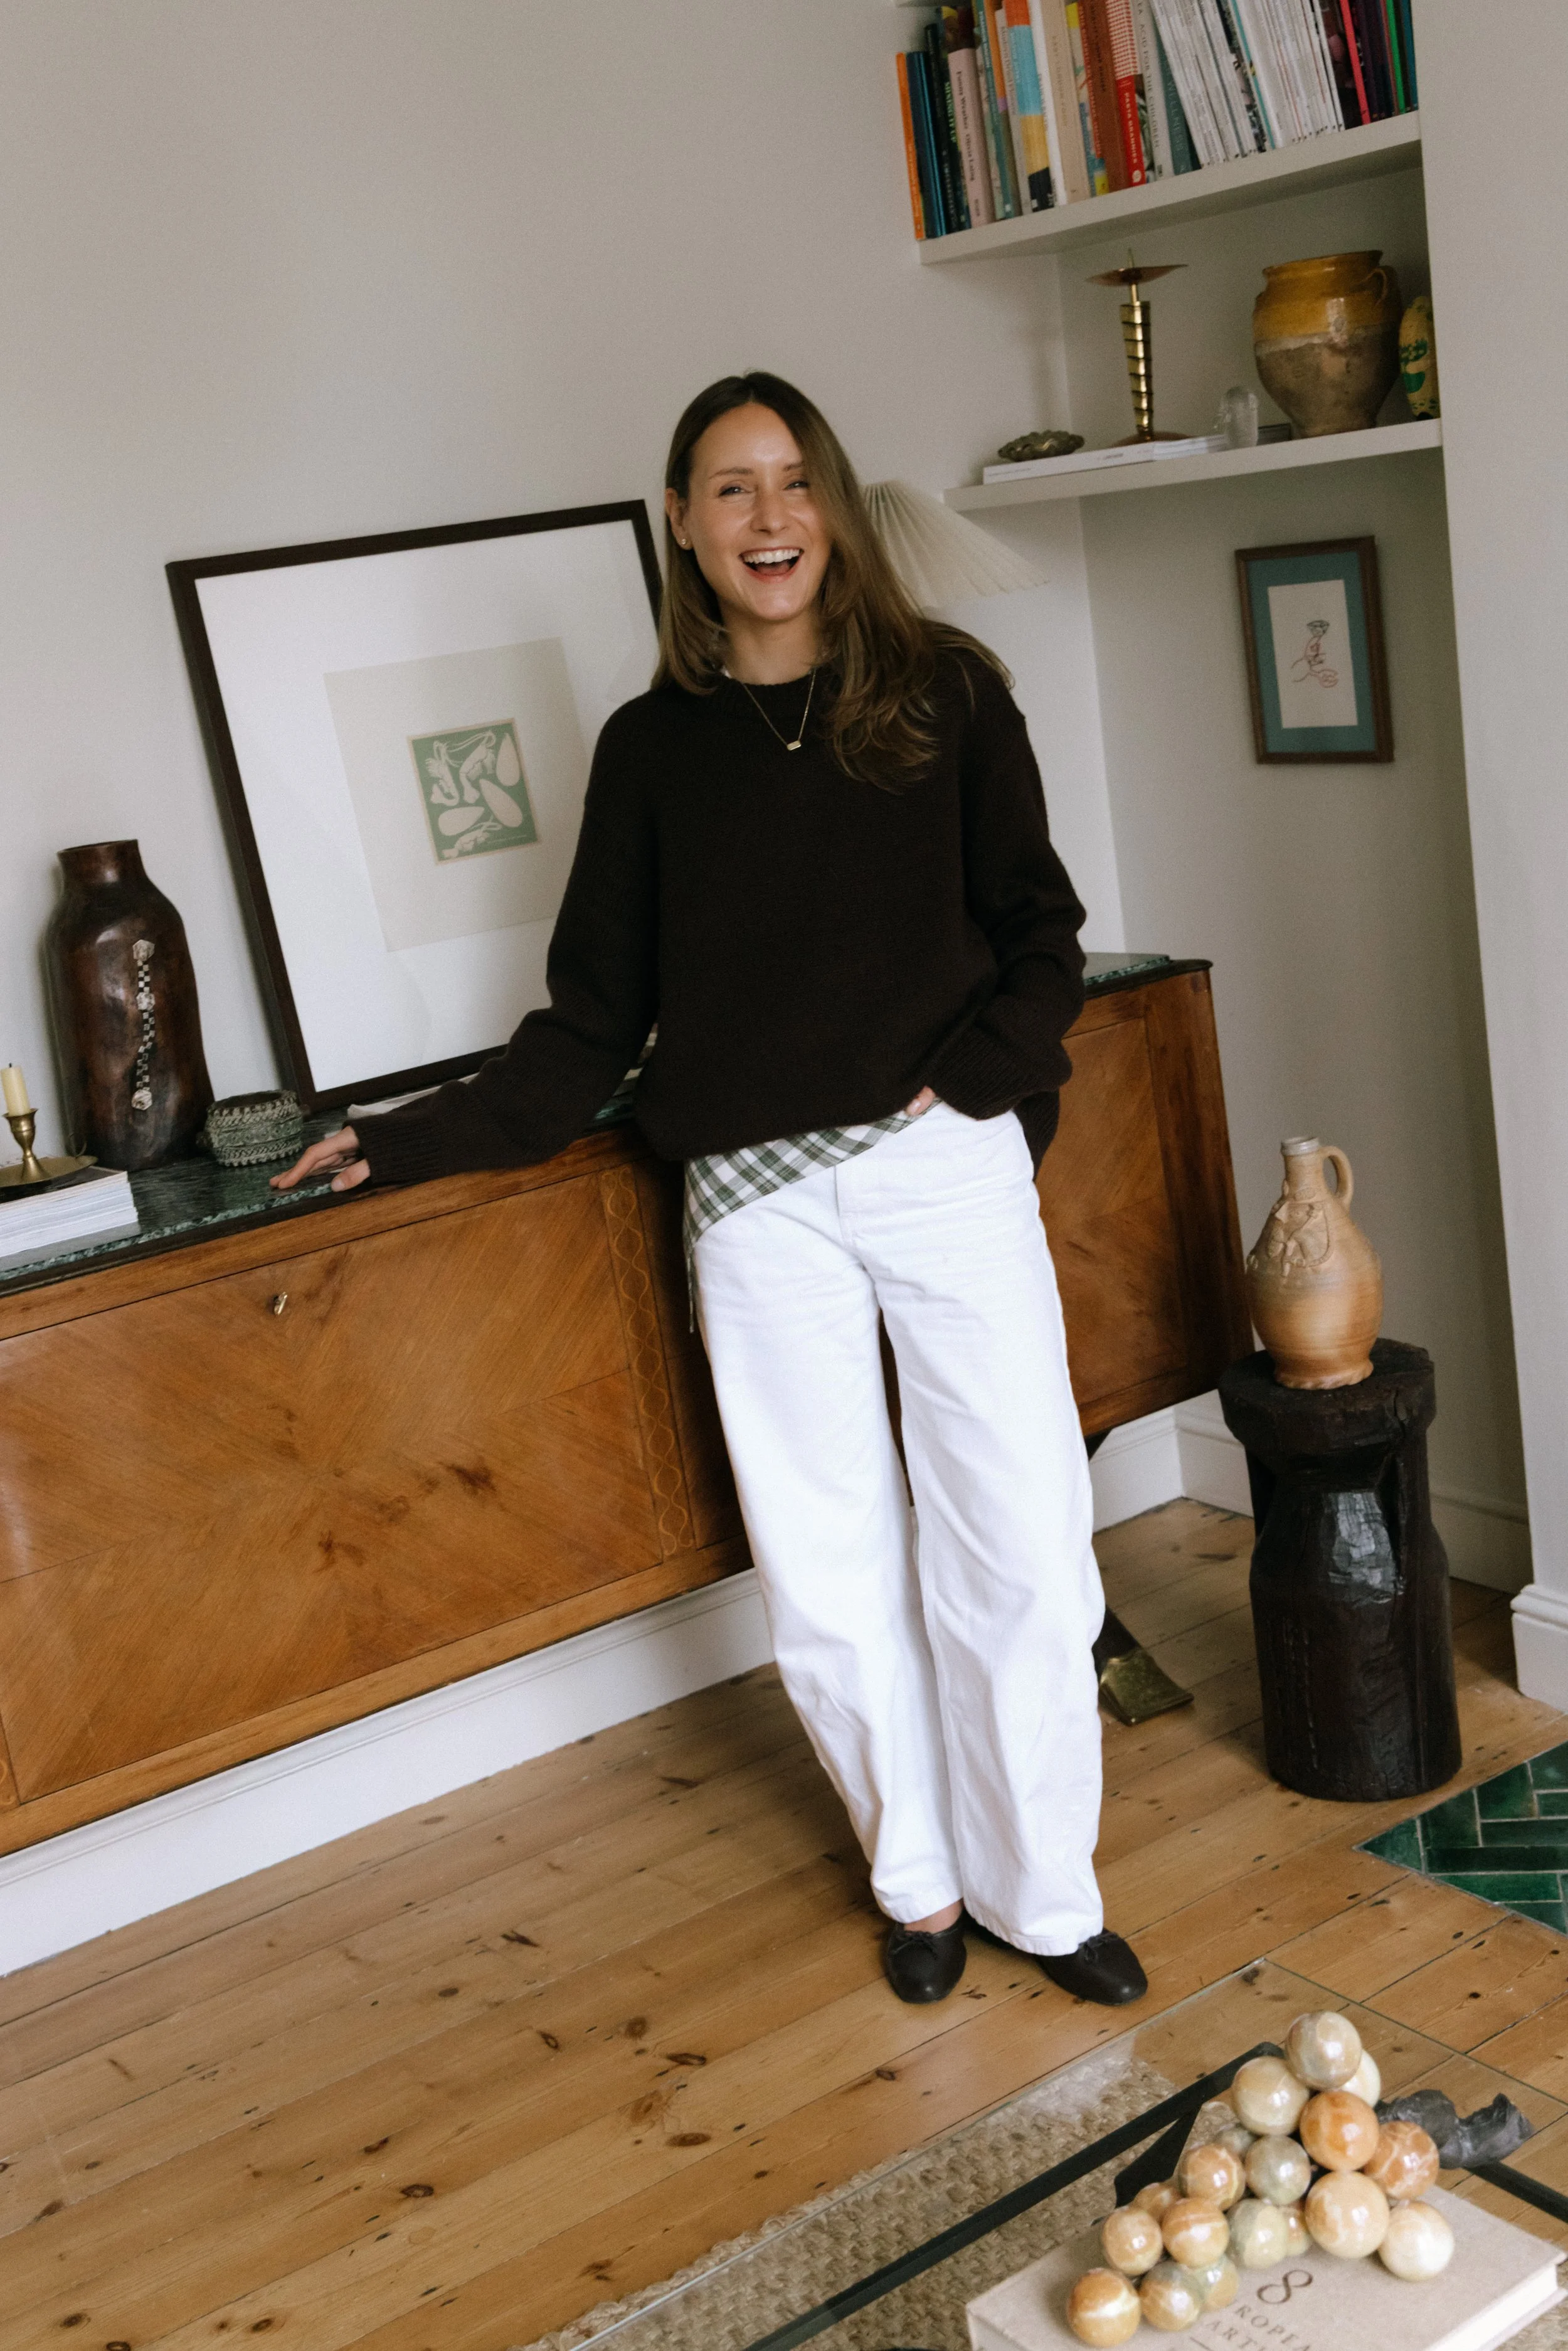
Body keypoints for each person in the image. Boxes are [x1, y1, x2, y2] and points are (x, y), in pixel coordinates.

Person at [275, 371, 1145, 2011]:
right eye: (729, 488)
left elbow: (1041, 938)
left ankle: (1043, 1890)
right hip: (756, 1207)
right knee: (827, 1569)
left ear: (831, 505)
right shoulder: (652, 751)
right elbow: (588, 1024)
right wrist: (396, 1137)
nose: (767, 517)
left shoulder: (945, 694)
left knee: (1021, 1544)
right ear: (680, 523)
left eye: (791, 481)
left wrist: (967, 1080)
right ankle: (917, 1883)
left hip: (939, 1168)